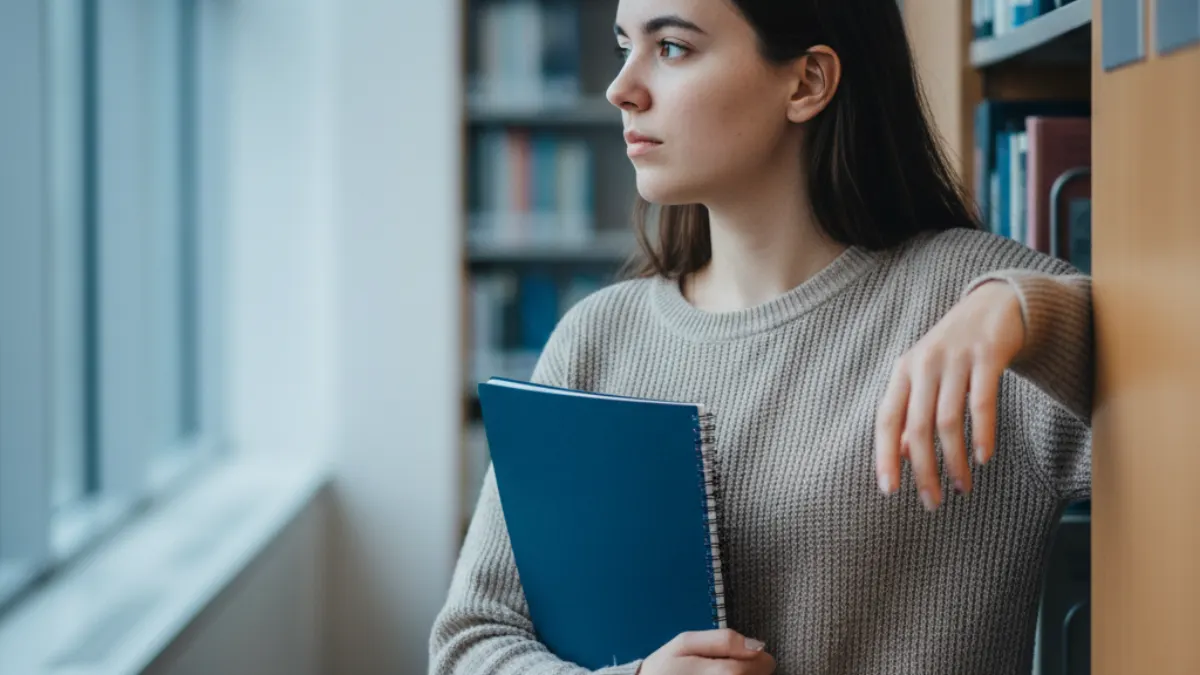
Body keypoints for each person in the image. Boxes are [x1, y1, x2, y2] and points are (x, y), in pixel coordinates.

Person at [430, 0, 1092, 673]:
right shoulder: (599, 338)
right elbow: (470, 641)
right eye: (625, 44)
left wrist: (1023, 307)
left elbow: (1171, 383)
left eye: (674, 48)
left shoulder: (974, 308)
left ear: (806, 83)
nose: (621, 88)